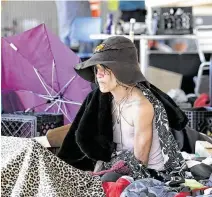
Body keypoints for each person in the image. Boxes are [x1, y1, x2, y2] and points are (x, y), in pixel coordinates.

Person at [1, 36, 188, 196]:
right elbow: (79, 130)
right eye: (96, 69)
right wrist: (38, 141)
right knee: (28, 154)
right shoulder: (103, 98)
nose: (98, 75)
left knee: (39, 170)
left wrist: (96, 175)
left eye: (104, 69)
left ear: (121, 70)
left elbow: (139, 165)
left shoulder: (142, 106)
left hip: (143, 177)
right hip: (107, 171)